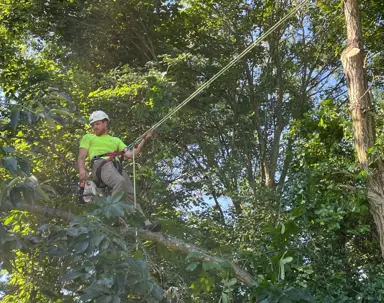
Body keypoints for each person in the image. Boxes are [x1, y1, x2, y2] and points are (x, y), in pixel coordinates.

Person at [77, 110, 160, 231]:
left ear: (105, 123)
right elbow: (81, 156)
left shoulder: (115, 140)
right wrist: (81, 169)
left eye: (97, 123)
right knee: (119, 181)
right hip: (100, 164)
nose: (95, 127)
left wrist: (144, 140)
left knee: (131, 196)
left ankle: (146, 224)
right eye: (93, 125)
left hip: (115, 166)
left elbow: (132, 154)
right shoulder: (88, 137)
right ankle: (113, 215)